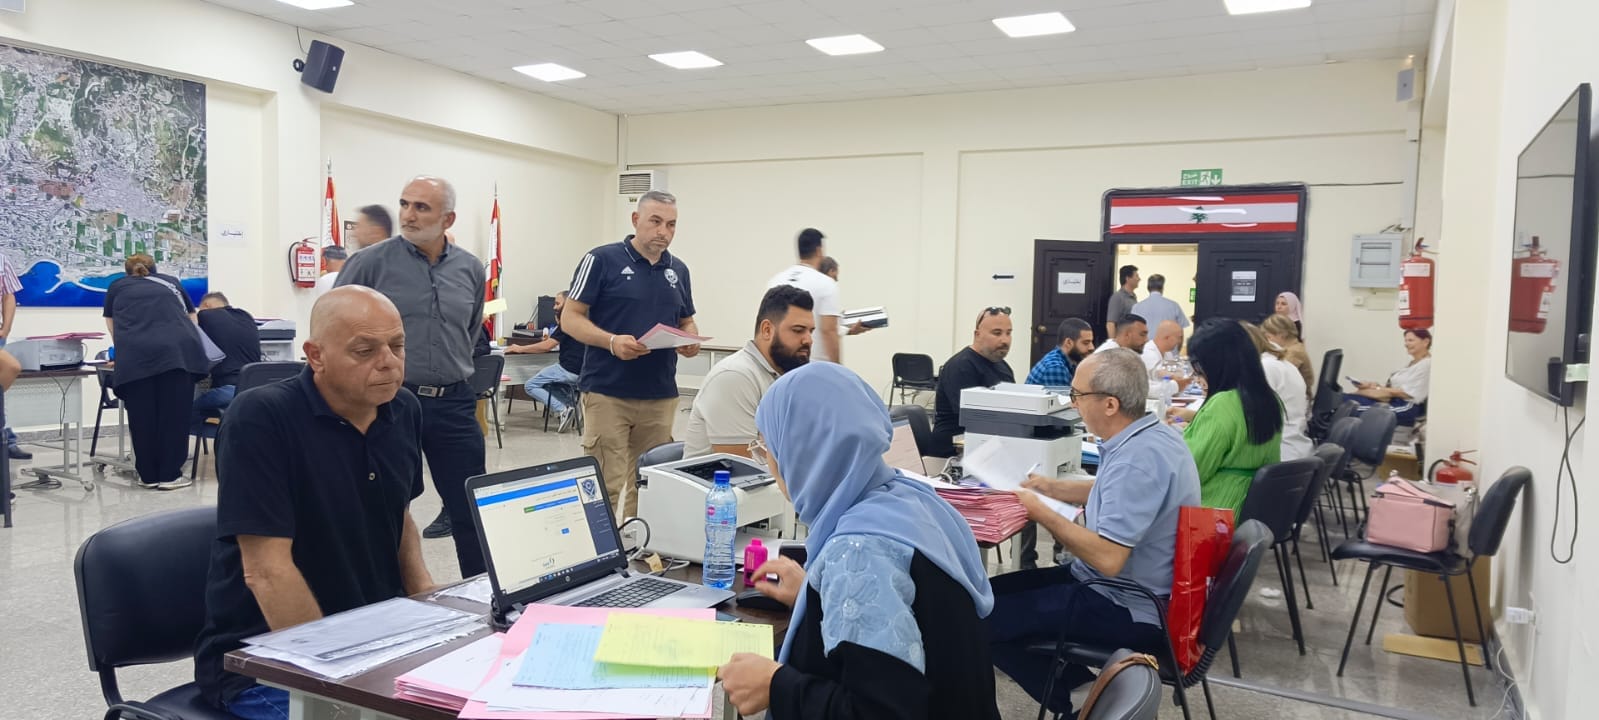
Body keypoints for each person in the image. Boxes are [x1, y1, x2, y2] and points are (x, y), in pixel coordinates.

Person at [193, 287, 433, 720]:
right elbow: (266, 571)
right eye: (365, 350)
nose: (389, 362)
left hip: (377, 636)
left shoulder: (403, 409)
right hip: (270, 660)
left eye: (397, 346)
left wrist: (432, 612)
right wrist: (335, 686)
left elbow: (399, 518)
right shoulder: (262, 417)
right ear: (316, 355)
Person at [717, 363, 1001, 720]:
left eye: (767, 447)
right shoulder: (910, 499)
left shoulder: (858, 551)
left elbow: (880, 712)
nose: (768, 462)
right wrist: (818, 595)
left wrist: (774, 684)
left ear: (800, 451)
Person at [987, 349, 1199, 717]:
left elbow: (1109, 558)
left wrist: (1040, 512)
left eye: (1078, 395)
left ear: (1110, 404)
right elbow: (1111, 490)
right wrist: (1051, 488)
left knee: (978, 618)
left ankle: (1074, 702)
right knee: (982, 596)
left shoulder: (1137, 460)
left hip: (1129, 605)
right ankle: (1078, 687)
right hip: (1120, 588)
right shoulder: (1151, 437)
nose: (1073, 404)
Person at [335, 175, 488, 575]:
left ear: (448, 219)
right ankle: (385, 596)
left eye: (421, 207)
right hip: (389, 402)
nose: (408, 215)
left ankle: (482, 592)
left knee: (472, 507)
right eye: (404, 204)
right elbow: (335, 327)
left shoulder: (471, 269)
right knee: (383, 507)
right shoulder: (370, 264)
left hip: (454, 402)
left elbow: (470, 331)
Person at [561, 190, 699, 519]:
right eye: (655, 222)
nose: (663, 231)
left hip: (659, 395)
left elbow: (686, 320)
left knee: (649, 486)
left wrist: (690, 339)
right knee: (604, 483)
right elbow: (570, 318)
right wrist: (611, 342)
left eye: (671, 224)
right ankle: (602, 548)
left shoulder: (678, 270)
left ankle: (639, 545)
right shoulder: (601, 260)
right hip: (608, 392)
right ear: (636, 220)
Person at [102, 254, 208, 490]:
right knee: (174, 416)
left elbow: (111, 324)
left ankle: (148, 476)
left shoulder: (117, 286)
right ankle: (170, 476)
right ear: (154, 268)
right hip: (175, 355)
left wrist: (127, 346)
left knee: (141, 418)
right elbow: (192, 318)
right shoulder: (170, 282)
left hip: (136, 358)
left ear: (127, 271)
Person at [683, 285, 814, 458]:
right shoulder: (734, 376)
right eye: (798, 330)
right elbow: (741, 465)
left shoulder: (787, 374)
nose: (808, 340)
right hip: (722, 476)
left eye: (811, 331)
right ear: (767, 330)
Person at [1175, 319, 1282, 515]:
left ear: (1215, 364)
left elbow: (1191, 472)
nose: (1197, 375)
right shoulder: (1270, 398)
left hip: (1211, 512)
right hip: (1251, 507)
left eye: (1198, 367)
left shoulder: (1222, 404)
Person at [929, 307, 1015, 458]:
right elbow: (974, 419)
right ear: (977, 335)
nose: (1005, 340)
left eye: (1008, 333)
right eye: (997, 333)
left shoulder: (1003, 366)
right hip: (953, 452)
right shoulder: (961, 367)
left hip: (990, 444)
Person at [506, 291, 584, 431]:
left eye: (557, 303)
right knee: (546, 384)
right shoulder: (581, 320)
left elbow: (546, 346)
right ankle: (573, 406)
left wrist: (520, 348)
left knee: (530, 385)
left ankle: (563, 409)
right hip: (582, 372)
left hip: (568, 369)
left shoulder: (567, 322)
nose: (554, 307)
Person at [766, 229, 845, 364]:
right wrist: (838, 369)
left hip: (780, 363)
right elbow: (829, 330)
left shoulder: (775, 281)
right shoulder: (825, 283)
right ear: (819, 251)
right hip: (814, 364)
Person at [1243, 322, 1311, 460]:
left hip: (1281, 454)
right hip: (1296, 448)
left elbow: (1248, 418)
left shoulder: (1265, 368)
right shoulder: (1282, 364)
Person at [193, 293, 262, 426]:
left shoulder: (204, 315)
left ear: (206, 305)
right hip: (254, 389)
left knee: (183, 407)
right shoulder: (246, 316)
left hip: (228, 392)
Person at [1347, 328, 1432, 426]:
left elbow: (1406, 393)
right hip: (1393, 401)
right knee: (1346, 399)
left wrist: (1376, 388)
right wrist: (1373, 386)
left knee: (1348, 407)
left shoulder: (1426, 364)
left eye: (1411, 340)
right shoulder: (1412, 363)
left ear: (1425, 342)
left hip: (1405, 406)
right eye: (1405, 341)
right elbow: (1395, 388)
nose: (1406, 344)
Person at [0, 253, 28, 460]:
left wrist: (6, 328)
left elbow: (8, 294)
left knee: (8, 373)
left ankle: (6, 441)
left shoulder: (1, 259)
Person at [1025, 317, 1094, 387]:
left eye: (1091, 342)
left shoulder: (1070, 361)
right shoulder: (1055, 368)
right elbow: (1071, 394)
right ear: (1068, 342)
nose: (1092, 347)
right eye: (1086, 343)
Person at [1262, 314, 1314, 397]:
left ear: (1282, 334)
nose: (1267, 342)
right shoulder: (1295, 347)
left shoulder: (1293, 353)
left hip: (1298, 398)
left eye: (1268, 337)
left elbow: (1280, 372)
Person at [817, 255, 868, 337]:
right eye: (835, 276)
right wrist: (849, 330)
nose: (836, 280)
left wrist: (837, 318)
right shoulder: (827, 289)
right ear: (831, 271)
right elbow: (829, 328)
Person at [1104, 264, 1139, 337]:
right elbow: (1110, 323)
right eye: (1136, 276)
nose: (1139, 279)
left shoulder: (1133, 297)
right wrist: (1113, 342)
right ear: (1128, 278)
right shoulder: (1118, 297)